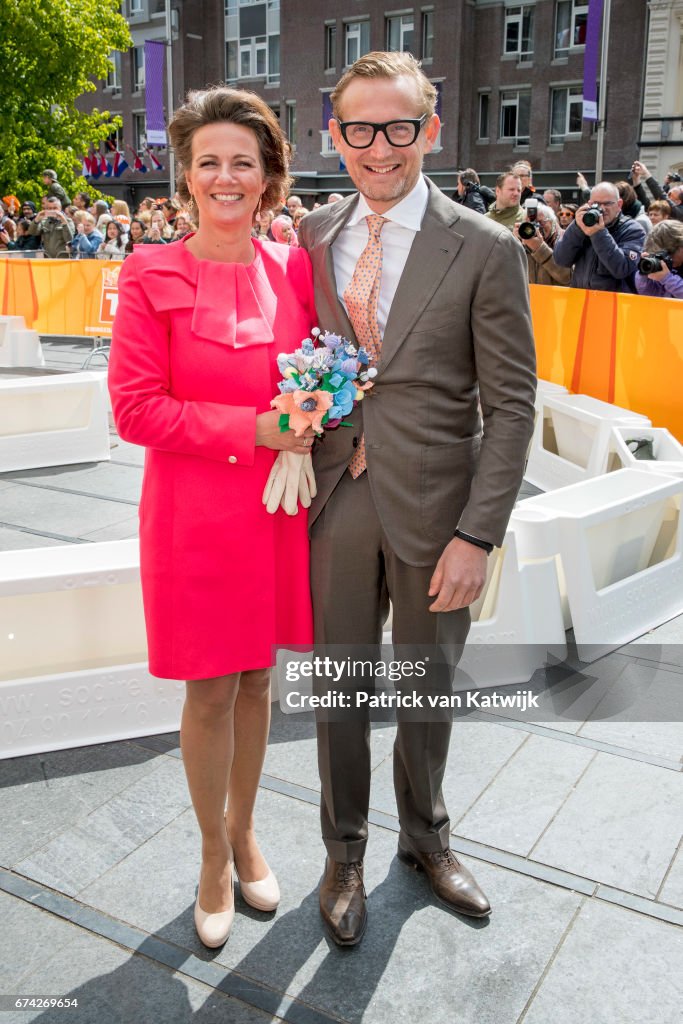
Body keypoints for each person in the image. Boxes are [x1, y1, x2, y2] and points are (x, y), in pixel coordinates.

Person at [297, 51, 536, 946]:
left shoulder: (485, 246)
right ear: (337, 133)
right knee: (340, 691)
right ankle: (343, 850)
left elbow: (511, 404)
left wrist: (480, 533)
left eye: (397, 127)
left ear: (428, 131)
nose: (377, 147)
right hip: (337, 496)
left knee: (425, 688)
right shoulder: (314, 234)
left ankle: (426, 839)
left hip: (441, 513)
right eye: (358, 128)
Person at [108, 84, 316, 950]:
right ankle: (206, 853)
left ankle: (243, 829)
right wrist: (256, 428)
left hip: (278, 509)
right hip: (193, 515)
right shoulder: (148, 270)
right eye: (209, 164)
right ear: (186, 177)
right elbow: (135, 411)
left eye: (244, 161)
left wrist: (311, 420)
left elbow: (321, 376)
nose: (226, 177)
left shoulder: (294, 268)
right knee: (210, 686)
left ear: (268, 175)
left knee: (259, 679)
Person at [554, 181, 646, 292]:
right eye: (596, 203)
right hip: (580, 301)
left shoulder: (632, 229)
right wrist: (576, 228)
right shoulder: (582, 224)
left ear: (619, 205)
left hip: (614, 305)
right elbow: (560, 260)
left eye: (607, 203)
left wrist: (598, 233)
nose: (602, 208)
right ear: (589, 204)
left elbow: (621, 268)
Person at [513, 203, 571, 286]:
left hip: (557, 297)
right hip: (530, 298)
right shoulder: (524, 242)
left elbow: (567, 277)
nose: (536, 228)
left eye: (541, 222)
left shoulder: (565, 239)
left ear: (552, 222)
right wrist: (515, 243)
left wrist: (540, 248)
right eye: (530, 224)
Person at [635, 220, 683, 299]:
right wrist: (644, 274)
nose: (666, 260)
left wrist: (667, 279)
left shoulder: (667, 276)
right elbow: (651, 295)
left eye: (668, 255)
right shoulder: (665, 263)